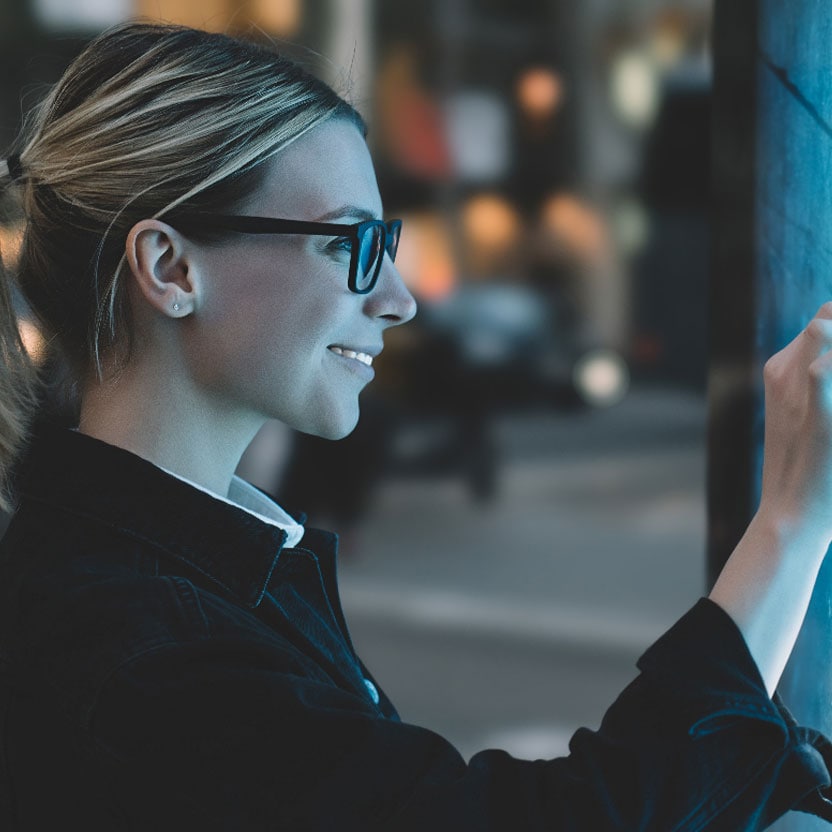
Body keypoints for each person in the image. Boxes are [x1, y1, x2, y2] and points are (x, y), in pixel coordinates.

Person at [0, 22, 831, 831]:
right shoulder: (137, 651)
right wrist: (792, 521)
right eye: (354, 245)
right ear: (170, 268)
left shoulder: (153, 570)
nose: (398, 298)